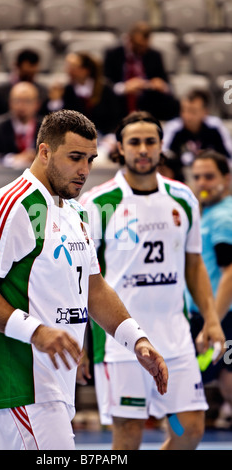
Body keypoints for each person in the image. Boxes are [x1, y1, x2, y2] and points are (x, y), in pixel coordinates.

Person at [0, 109, 168, 450]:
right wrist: (36, 332)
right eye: (74, 158)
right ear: (44, 152)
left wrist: (136, 340)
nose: (85, 170)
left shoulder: (76, 211)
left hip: (53, 387)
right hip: (18, 387)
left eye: (90, 159)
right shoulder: (11, 206)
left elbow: (94, 287)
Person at [79, 110, 225, 450]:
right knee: (129, 435)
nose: (143, 149)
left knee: (189, 430)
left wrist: (212, 320)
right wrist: (83, 344)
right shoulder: (97, 203)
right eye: (134, 142)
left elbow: (194, 267)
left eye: (150, 142)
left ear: (161, 146)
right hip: (120, 342)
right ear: (120, 148)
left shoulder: (183, 197)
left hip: (175, 336)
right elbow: (84, 280)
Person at [188, 150, 232, 427]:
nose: (202, 183)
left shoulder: (223, 217)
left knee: (224, 376)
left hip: (218, 315)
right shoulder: (207, 213)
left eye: (209, 176)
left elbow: (230, 271)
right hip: (205, 315)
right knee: (222, 374)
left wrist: (213, 320)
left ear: (226, 179)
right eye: (197, 177)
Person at [103, 21, 179, 121]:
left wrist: (161, 86)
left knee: (173, 103)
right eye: (139, 45)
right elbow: (105, 84)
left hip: (147, 100)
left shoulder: (154, 55)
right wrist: (124, 87)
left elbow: (166, 83)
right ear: (129, 40)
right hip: (120, 102)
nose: (142, 49)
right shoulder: (113, 54)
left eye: (145, 46)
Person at [43, 51, 121, 138]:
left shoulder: (104, 89)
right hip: (73, 138)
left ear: (85, 70)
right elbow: (55, 119)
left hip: (103, 136)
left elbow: (114, 116)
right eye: (68, 67)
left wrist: (110, 136)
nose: (69, 71)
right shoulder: (66, 90)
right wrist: (56, 100)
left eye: (73, 67)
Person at [163, 89, 232, 173]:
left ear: (205, 112)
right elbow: (164, 157)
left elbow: (229, 157)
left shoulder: (216, 127)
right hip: (181, 176)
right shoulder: (173, 128)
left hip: (210, 175)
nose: (187, 116)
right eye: (184, 110)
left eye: (193, 111)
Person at [0, 82, 42, 167]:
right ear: (10, 103)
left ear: (37, 104)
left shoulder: (46, 127)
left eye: (27, 101)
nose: (22, 106)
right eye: (17, 101)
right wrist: (12, 159)